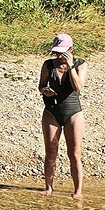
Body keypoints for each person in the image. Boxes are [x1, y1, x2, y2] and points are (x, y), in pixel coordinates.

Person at [38, 32, 87, 198]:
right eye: (56, 52)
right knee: (50, 153)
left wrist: (70, 66)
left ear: (70, 50)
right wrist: (45, 91)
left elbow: (78, 87)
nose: (59, 56)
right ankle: (48, 188)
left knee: (74, 154)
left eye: (62, 52)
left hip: (73, 113)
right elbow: (41, 85)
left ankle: (78, 191)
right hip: (51, 111)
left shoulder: (80, 65)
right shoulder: (48, 65)